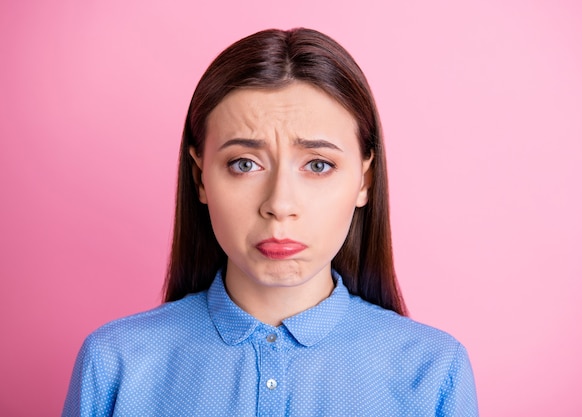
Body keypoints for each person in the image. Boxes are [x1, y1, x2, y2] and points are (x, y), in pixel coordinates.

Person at [62, 28, 478, 416]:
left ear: (364, 181)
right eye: (244, 163)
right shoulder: (114, 364)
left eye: (318, 164)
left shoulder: (433, 372)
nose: (279, 204)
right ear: (199, 176)